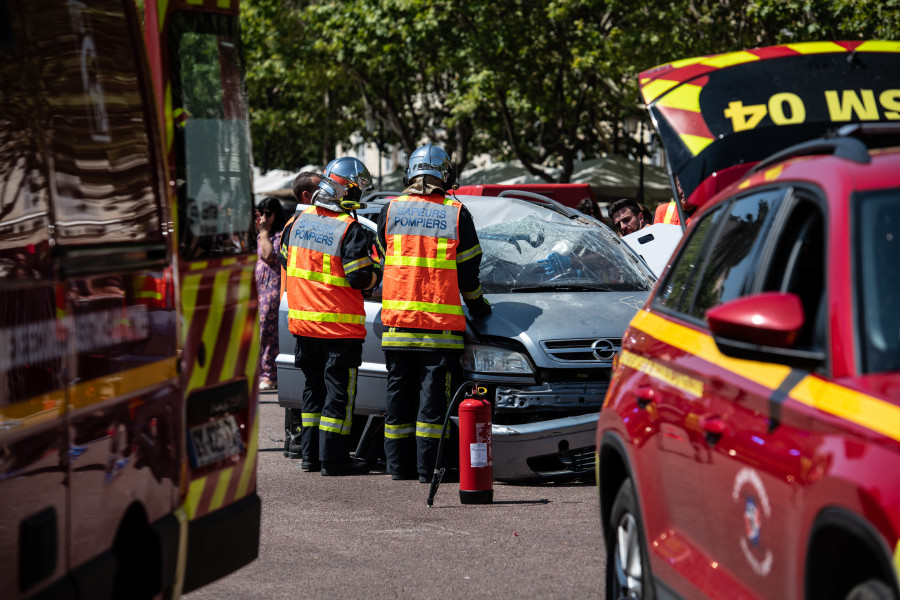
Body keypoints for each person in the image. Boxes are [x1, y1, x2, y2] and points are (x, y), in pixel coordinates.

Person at [376, 143, 491, 483]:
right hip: (438, 331)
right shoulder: (457, 213)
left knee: (397, 401)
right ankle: (429, 470)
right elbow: (469, 274)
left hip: (397, 327)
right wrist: (479, 306)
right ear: (446, 174)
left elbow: (386, 256)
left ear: (409, 172)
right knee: (432, 407)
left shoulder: (390, 210)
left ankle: (397, 468)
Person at [279, 157, 382, 476]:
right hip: (338, 330)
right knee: (338, 397)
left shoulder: (297, 223)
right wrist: (377, 273)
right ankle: (334, 460)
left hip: (304, 326)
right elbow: (360, 278)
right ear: (346, 190)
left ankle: (310, 457)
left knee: (312, 394)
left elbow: (285, 260)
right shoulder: (349, 228)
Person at [280, 172, 321, 460]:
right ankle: (298, 441)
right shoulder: (301, 224)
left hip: (296, 310)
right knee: (305, 386)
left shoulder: (294, 225)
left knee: (304, 384)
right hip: (300, 310)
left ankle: (297, 443)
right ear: (307, 196)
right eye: (321, 188)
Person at [255, 196, 287, 391]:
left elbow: (268, 256)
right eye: (261, 213)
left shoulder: (278, 236)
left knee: (267, 334)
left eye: (268, 213)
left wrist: (264, 231)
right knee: (257, 333)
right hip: (258, 291)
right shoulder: (260, 235)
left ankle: (270, 375)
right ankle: (261, 372)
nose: (264, 217)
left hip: (272, 291)